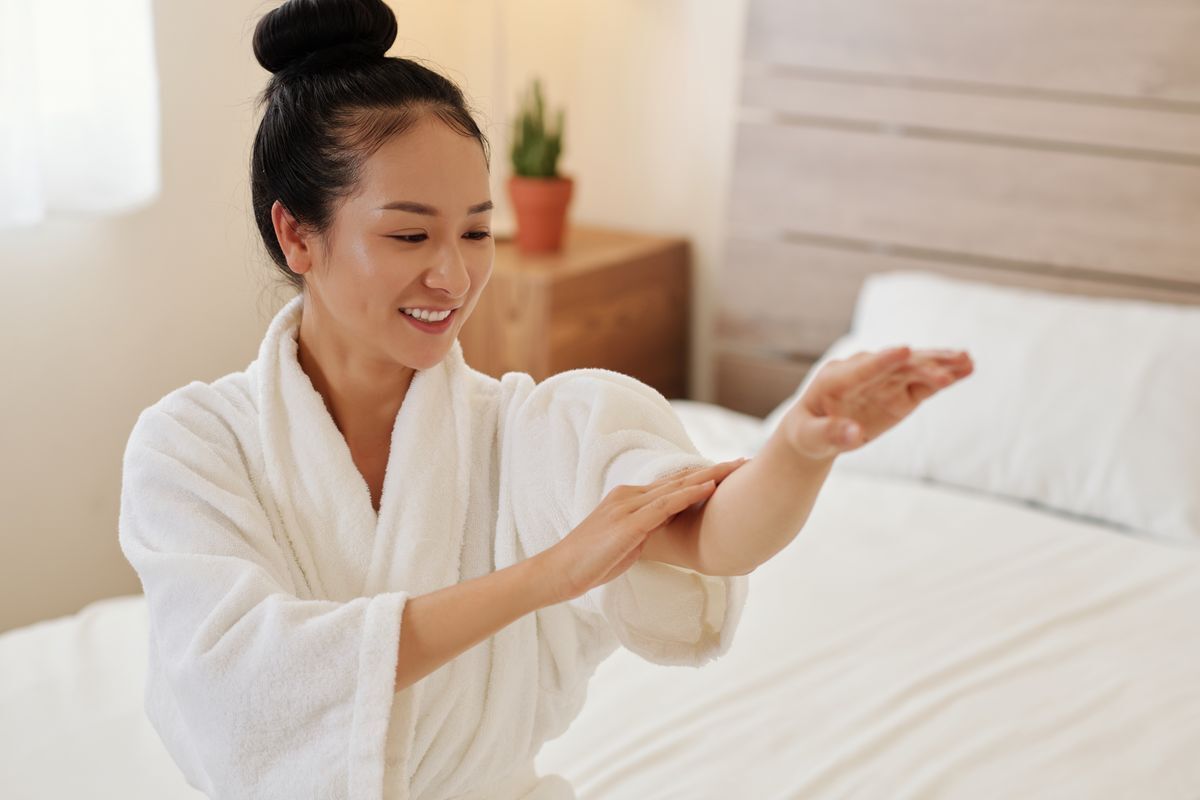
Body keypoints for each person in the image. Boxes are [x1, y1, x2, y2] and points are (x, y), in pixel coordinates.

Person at [117, 1, 973, 798]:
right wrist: (545, 576)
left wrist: (797, 449)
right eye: (410, 234)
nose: (453, 276)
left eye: (478, 232)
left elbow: (710, 536)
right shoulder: (191, 447)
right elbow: (242, 691)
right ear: (297, 234)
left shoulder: (532, 431)